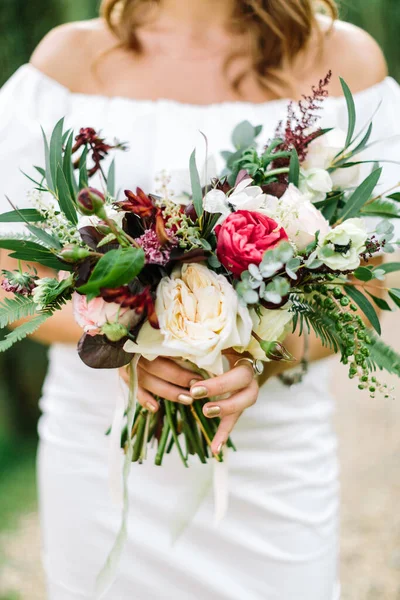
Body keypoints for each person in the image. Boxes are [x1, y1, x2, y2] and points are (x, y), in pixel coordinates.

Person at [0, 1, 397, 598]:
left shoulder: (344, 62)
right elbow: (11, 278)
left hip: (273, 461)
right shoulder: (67, 63)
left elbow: (371, 281)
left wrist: (265, 354)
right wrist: (124, 343)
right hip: (101, 450)